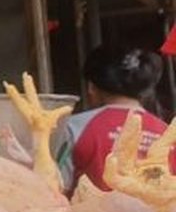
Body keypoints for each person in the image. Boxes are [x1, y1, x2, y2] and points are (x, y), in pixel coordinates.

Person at [57, 44, 176, 193]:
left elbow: (58, 185)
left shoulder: (73, 127)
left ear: (91, 87)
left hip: (91, 208)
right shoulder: (167, 133)